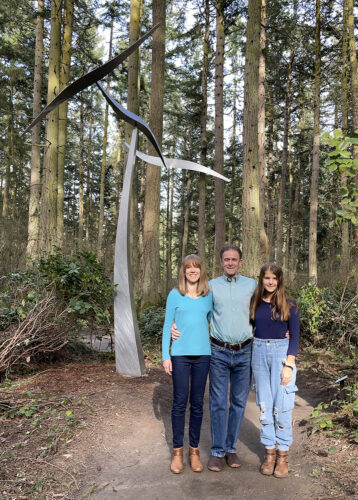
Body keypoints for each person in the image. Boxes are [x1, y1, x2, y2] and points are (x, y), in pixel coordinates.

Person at [171, 245, 257, 472]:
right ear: (221, 262)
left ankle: (231, 449)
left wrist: (285, 327)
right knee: (218, 402)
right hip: (218, 351)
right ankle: (217, 452)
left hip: (245, 351)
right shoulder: (210, 288)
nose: (230, 263)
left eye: (234, 259)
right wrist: (174, 324)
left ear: (241, 262)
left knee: (238, 402)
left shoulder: (252, 286)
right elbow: (197, 312)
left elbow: (266, 310)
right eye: (226, 259)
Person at [162, 254, 213, 474]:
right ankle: (177, 452)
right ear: (183, 271)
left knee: (198, 404)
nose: (192, 271)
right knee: (179, 403)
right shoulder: (175, 295)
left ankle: (194, 451)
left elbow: (209, 322)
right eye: (188, 268)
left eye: (196, 268)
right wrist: (166, 355)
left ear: (201, 271)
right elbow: (166, 326)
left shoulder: (208, 295)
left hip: (203, 355)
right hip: (180, 355)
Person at [250, 263, 299, 478]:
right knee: (264, 406)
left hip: (281, 356)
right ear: (261, 279)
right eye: (267, 278)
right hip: (259, 352)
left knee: (282, 407)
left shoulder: (289, 304)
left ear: (280, 280)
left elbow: (295, 336)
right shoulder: (255, 303)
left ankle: (283, 455)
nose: (270, 282)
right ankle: (269, 453)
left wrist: (288, 365)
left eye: (274, 278)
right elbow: (249, 327)